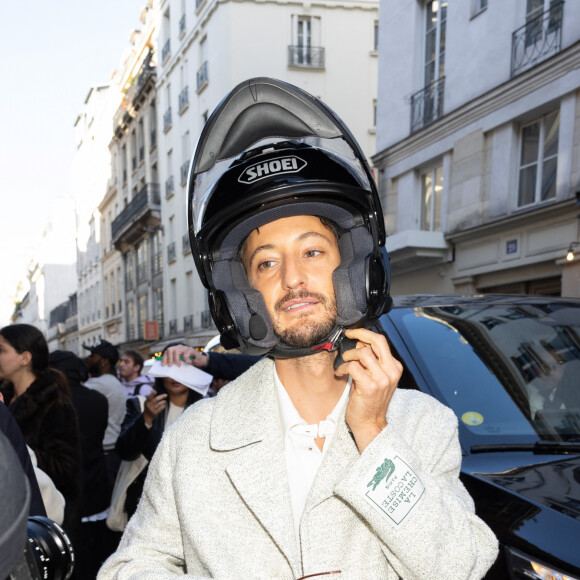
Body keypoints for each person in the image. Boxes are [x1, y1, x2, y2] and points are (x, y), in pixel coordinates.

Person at [99, 78, 498, 578]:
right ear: (241, 296)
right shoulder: (193, 441)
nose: (293, 279)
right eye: (266, 264)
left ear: (355, 268)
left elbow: (460, 567)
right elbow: (132, 567)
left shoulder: (421, 425)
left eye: (312, 251)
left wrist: (373, 432)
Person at [0, 323, 82, 546]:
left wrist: (19, 451)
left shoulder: (54, 403)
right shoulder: (6, 400)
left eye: (2, 350)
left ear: (25, 358)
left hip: (45, 521)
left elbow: (66, 468)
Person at [50, 349, 118, 580]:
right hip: (96, 481)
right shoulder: (97, 399)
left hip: (64, 488)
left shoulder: (54, 402)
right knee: (95, 550)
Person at [115, 347, 205, 521]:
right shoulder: (140, 405)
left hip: (191, 506)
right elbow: (125, 451)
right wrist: (146, 419)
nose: (175, 375)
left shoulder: (206, 408)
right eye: (169, 366)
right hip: (147, 505)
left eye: (183, 366)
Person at [83, 339, 126, 491]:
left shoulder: (100, 384)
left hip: (105, 453)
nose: (88, 358)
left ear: (104, 362)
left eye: (93, 355)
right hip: (110, 452)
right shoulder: (110, 381)